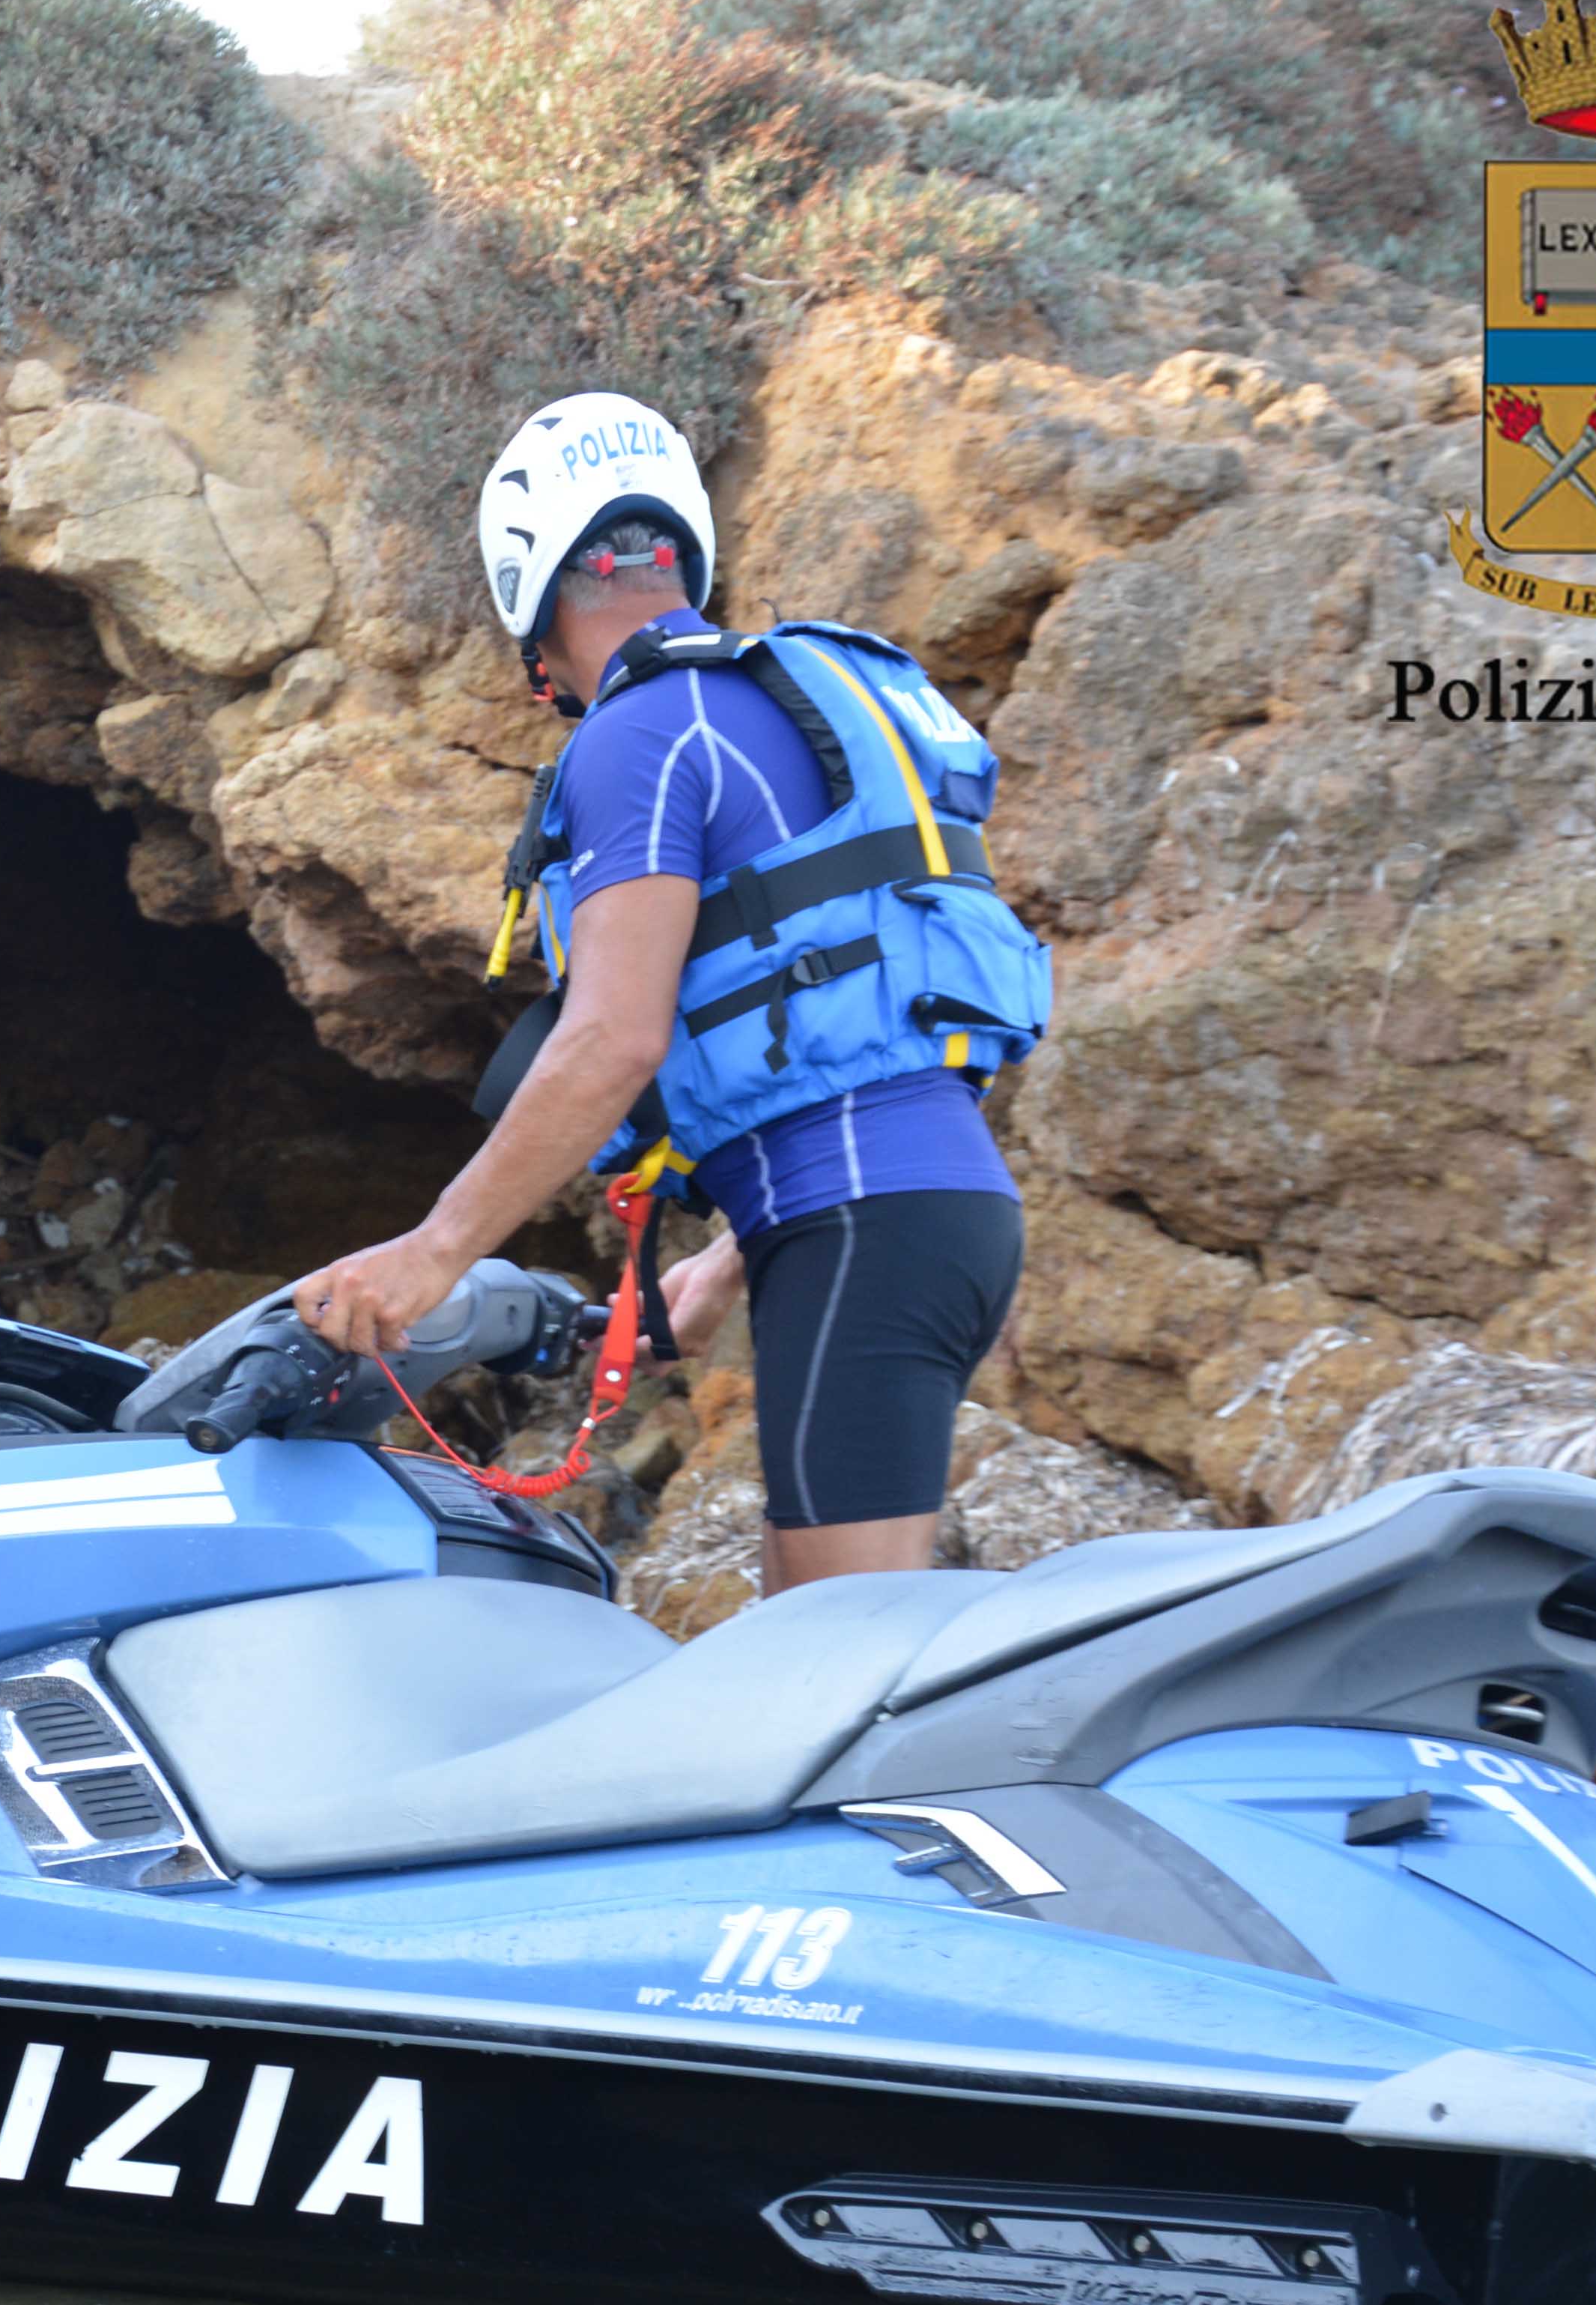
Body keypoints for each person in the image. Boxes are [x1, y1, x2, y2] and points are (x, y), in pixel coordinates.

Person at [297, 393, 1049, 1591]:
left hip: (859, 1227)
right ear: (680, 546)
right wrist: (728, 1265)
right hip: (935, 1213)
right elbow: (869, 1034)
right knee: (844, 1634)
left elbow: (613, 1039)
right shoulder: (779, 704)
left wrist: (431, 1254)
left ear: (530, 604)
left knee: (840, 1665)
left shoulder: (638, 734)